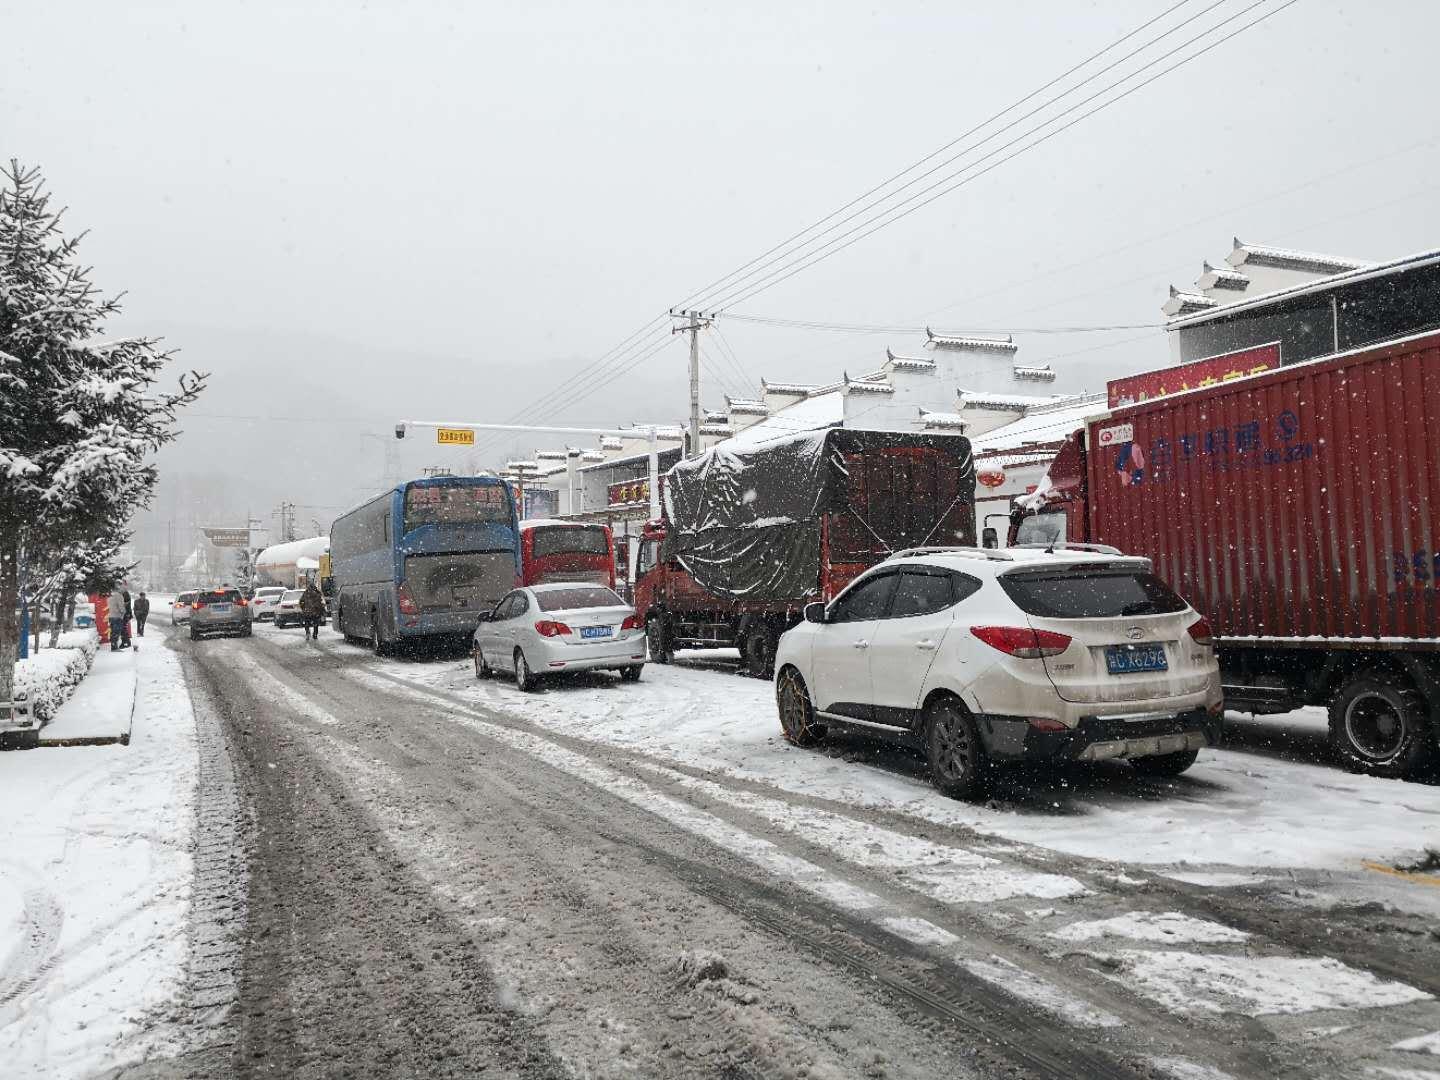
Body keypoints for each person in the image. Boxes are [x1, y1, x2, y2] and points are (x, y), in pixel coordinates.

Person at [107, 586, 126, 651]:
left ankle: (113, 646)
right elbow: (121, 607)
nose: (124, 590)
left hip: (111, 616)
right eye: (123, 588)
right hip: (117, 616)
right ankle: (115, 647)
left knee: (113, 632)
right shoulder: (119, 596)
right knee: (116, 632)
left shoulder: (110, 595)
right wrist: (123, 611)